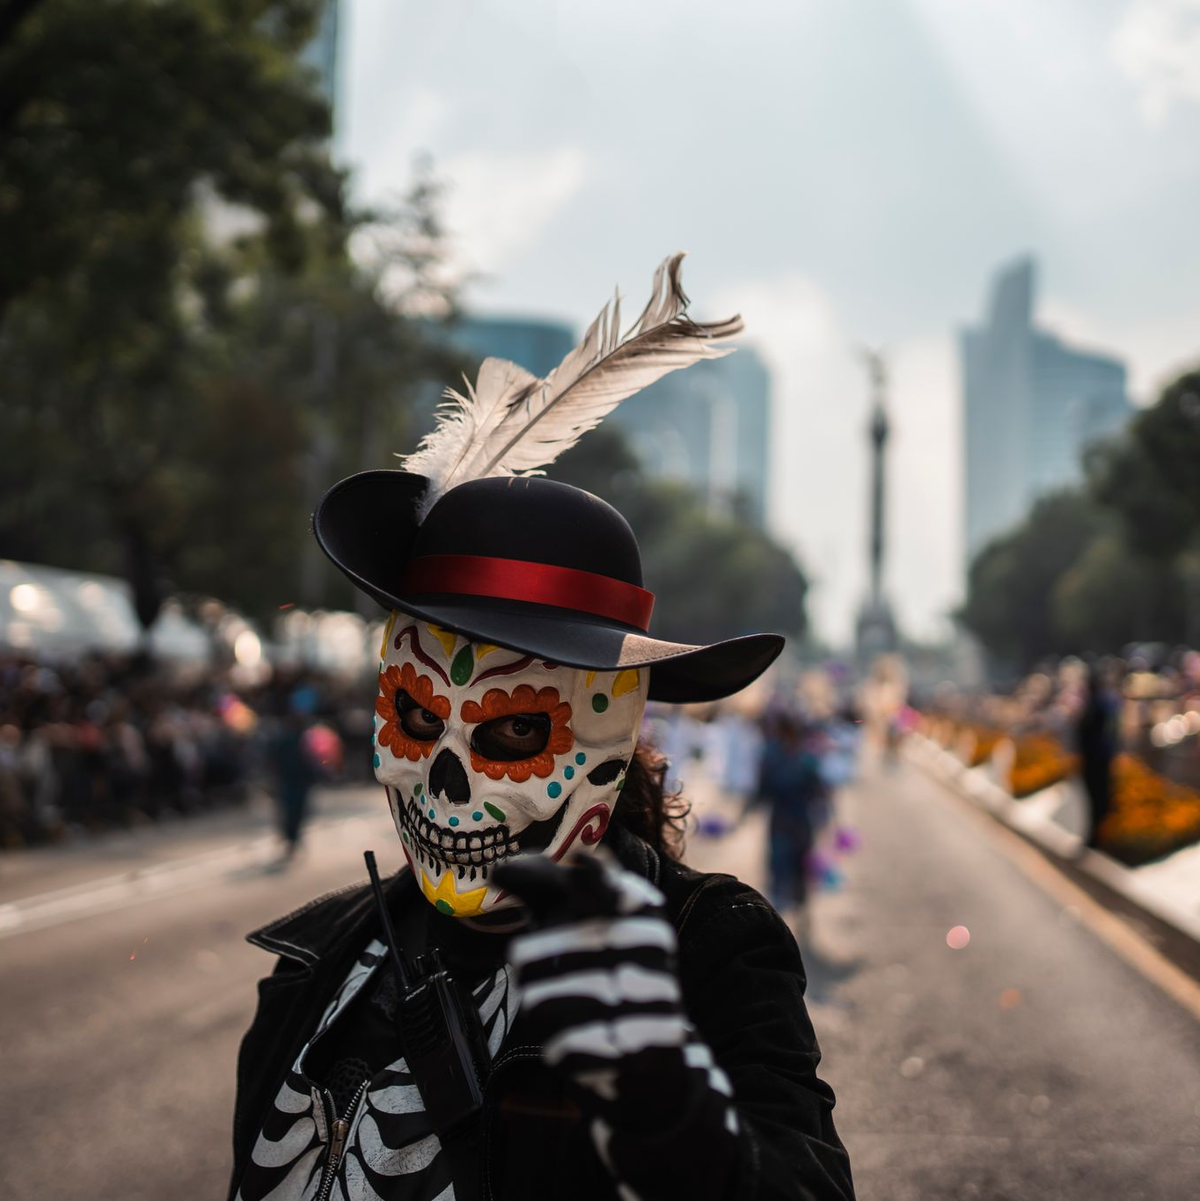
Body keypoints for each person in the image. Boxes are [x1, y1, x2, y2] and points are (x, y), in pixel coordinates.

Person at [228, 255, 855, 1201]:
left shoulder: (709, 948)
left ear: (609, 735)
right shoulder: (314, 966)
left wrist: (684, 1135)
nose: (447, 781)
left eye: (512, 734)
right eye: (415, 715)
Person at [1076, 661, 1119, 848]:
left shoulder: (1101, 704)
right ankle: (1096, 836)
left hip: (1098, 760)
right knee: (1097, 799)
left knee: (1099, 799)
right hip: (1098, 759)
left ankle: (1098, 837)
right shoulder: (1101, 702)